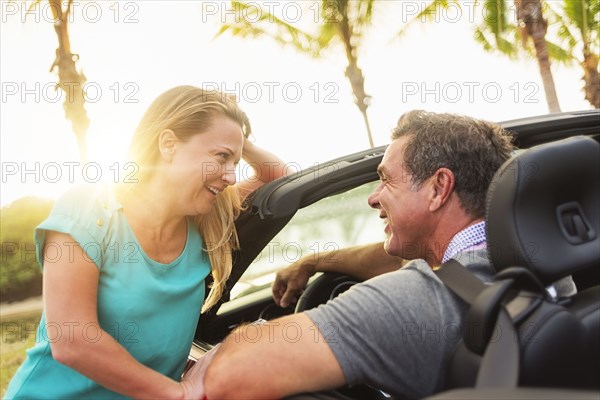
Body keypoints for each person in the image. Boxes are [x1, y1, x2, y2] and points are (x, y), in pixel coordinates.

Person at [193, 110, 517, 399]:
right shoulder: (534, 263)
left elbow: (229, 376)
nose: (373, 198)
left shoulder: (417, 300)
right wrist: (313, 261)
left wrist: (251, 333)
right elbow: (392, 259)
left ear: (438, 188)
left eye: (386, 180)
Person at [4, 85, 287, 400]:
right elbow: (72, 339)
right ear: (168, 144)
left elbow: (278, 178)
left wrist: (234, 135)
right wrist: (180, 393)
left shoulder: (206, 221)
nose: (232, 176)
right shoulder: (88, 207)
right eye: (221, 157)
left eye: (234, 162)